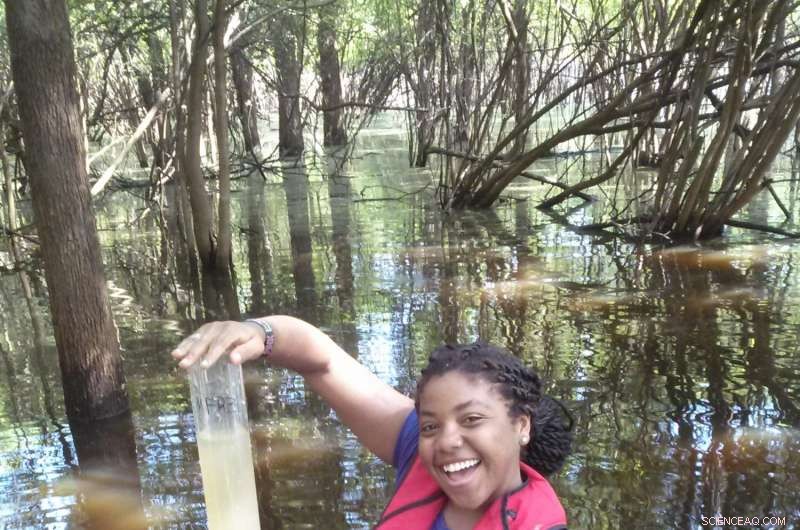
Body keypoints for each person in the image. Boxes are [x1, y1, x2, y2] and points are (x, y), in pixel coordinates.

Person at [172, 316, 573, 530]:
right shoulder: (419, 452)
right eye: (431, 425)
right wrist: (258, 332)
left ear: (522, 426)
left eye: (471, 419)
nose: (448, 440)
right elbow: (322, 360)